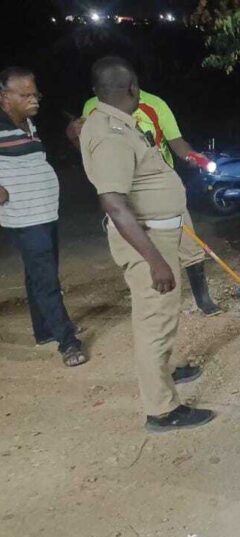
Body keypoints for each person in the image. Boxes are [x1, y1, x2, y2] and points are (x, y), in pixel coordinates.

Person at [79, 56, 215, 431]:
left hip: (158, 232)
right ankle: (162, 410)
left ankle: (166, 372)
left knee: (160, 317)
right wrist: (155, 261)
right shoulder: (110, 134)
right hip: (147, 241)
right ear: (133, 88)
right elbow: (114, 203)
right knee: (154, 319)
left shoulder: (114, 124)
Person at [67, 88, 221, 316]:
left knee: (189, 245)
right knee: (139, 251)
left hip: (159, 188)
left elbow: (176, 142)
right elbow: (88, 146)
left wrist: (193, 156)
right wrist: (73, 136)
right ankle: (155, 304)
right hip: (123, 190)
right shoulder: (92, 107)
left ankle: (203, 299)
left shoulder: (154, 103)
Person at [0, 67, 87, 367]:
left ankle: (44, 331)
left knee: (37, 274)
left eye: (35, 94)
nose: (34, 100)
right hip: (24, 217)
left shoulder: (29, 124)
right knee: (46, 277)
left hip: (44, 211)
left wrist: (71, 134)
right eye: (25, 95)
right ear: (4, 97)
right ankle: (68, 341)